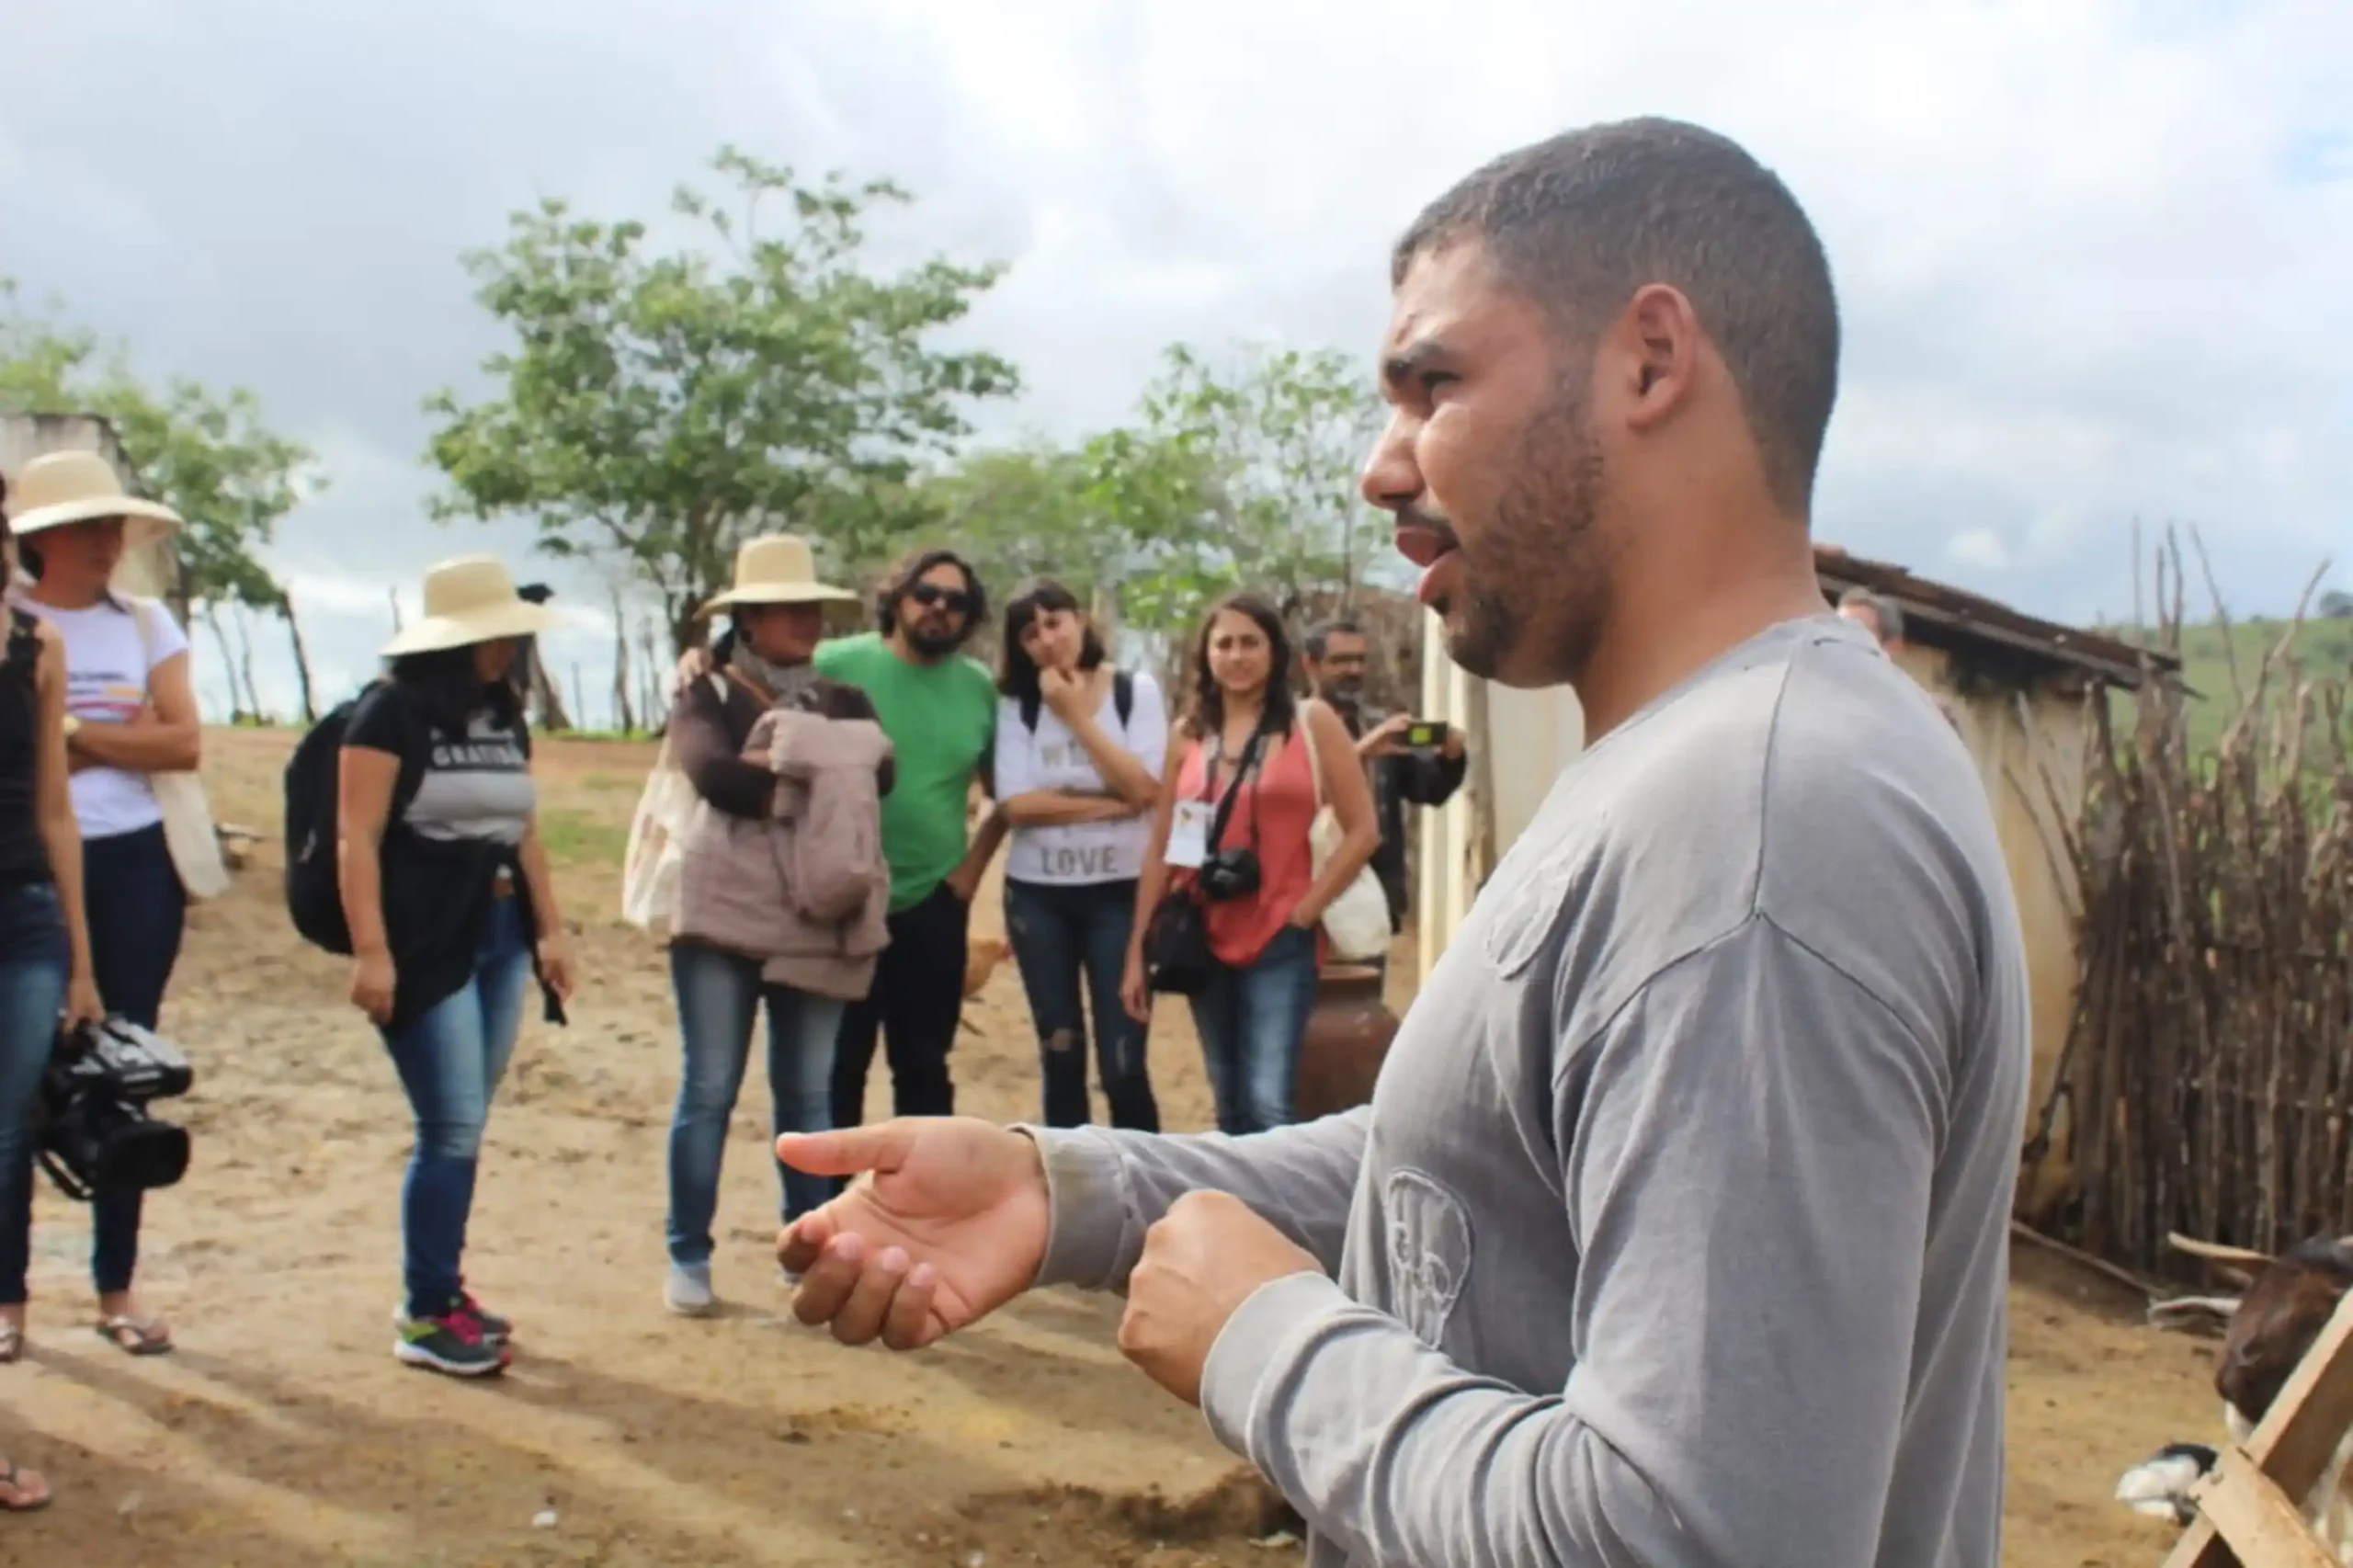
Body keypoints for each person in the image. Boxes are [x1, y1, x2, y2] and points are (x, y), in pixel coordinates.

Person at [767, 117, 2029, 1568]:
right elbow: (1480, 1159)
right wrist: (1070, 1190)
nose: (1382, 467)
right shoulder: (1693, 766)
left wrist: (1270, 1341)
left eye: (1432, 384)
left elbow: (1690, 1539)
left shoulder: (1758, 822)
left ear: (1650, 361)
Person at [337, 554, 575, 1377]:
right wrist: (372, 953)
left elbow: (526, 828)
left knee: (464, 1127)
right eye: (493, 635)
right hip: (427, 941)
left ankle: (444, 1289)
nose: (507, 648)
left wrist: (550, 931)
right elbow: (356, 838)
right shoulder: (387, 714)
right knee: (448, 1127)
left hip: (502, 931)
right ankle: (425, 1311)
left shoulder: (502, 712)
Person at [659, 535, 888, 1316]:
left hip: (817, 915)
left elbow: (883, 770)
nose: (806, 620)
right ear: (750, 619)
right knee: (710, 1089)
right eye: (789, 608)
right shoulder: (707, 693)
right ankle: (687, 1253)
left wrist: (788, 762)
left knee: (807, 1099)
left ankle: (806, 1254)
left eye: (812, 608)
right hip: (718, 921)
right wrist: (827, 771)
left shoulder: (845, 697)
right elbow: (715, 776)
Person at [3, 449, 199, 1356]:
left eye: (115, 524)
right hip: (28, 868)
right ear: (38, 539)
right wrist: (116, 737)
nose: (109, 542)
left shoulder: (144, 623)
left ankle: (115, 1288)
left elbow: (183, 741)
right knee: (21, 1090)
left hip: (130, 865)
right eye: (90, 526)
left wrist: (76, 731)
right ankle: (10, 1302)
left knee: (119, 1077)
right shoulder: (18, 628)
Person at [1118, 594, 1378, 1136]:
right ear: (1207, 654)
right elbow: (1172, 845)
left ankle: (1281, 1217)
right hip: (1205, 929)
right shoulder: (1190, 734)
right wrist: (1138, 948)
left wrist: (1306, 910)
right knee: (1229, 1101)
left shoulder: (1311, 723)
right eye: (1225, 643)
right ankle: (1235, 1215)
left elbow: (1363, 831)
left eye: (1250, 643)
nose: (1237, 656)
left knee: (1269, 1103)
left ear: (1274, 651)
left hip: (1282, 934)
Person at [0, 481, 100, 1515]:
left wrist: (79, 957)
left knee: (4, 1138)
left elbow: (56, 806)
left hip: (24, 913)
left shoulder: (35, 646)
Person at [992, 579, 1165, 1131]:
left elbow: (1145, 788)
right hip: (1038, 896)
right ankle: (1070, 1192)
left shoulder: (1134, 693)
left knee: (1123, 1064)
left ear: (1080, 622)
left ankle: (1147, 1187)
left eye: (1055, 621)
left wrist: (1074, 715)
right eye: (1030, 632)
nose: (1046, 639)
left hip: (1120, 891)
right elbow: (1017, 805)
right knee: (1061, 1053)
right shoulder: (1016, 707)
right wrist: (1110, 805)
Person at [1299, 619, 1467, 949]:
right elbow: (1297, 793)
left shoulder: (1379, 726)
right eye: (1341, 661)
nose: (1354, 669)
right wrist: (1363, 750)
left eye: (1360, 660)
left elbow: (1429, 790)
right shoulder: (1290, 725)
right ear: (1311, 665)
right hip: (1305, 893)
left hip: (1369, 900)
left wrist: (1451, 756)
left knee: (1363, 999)